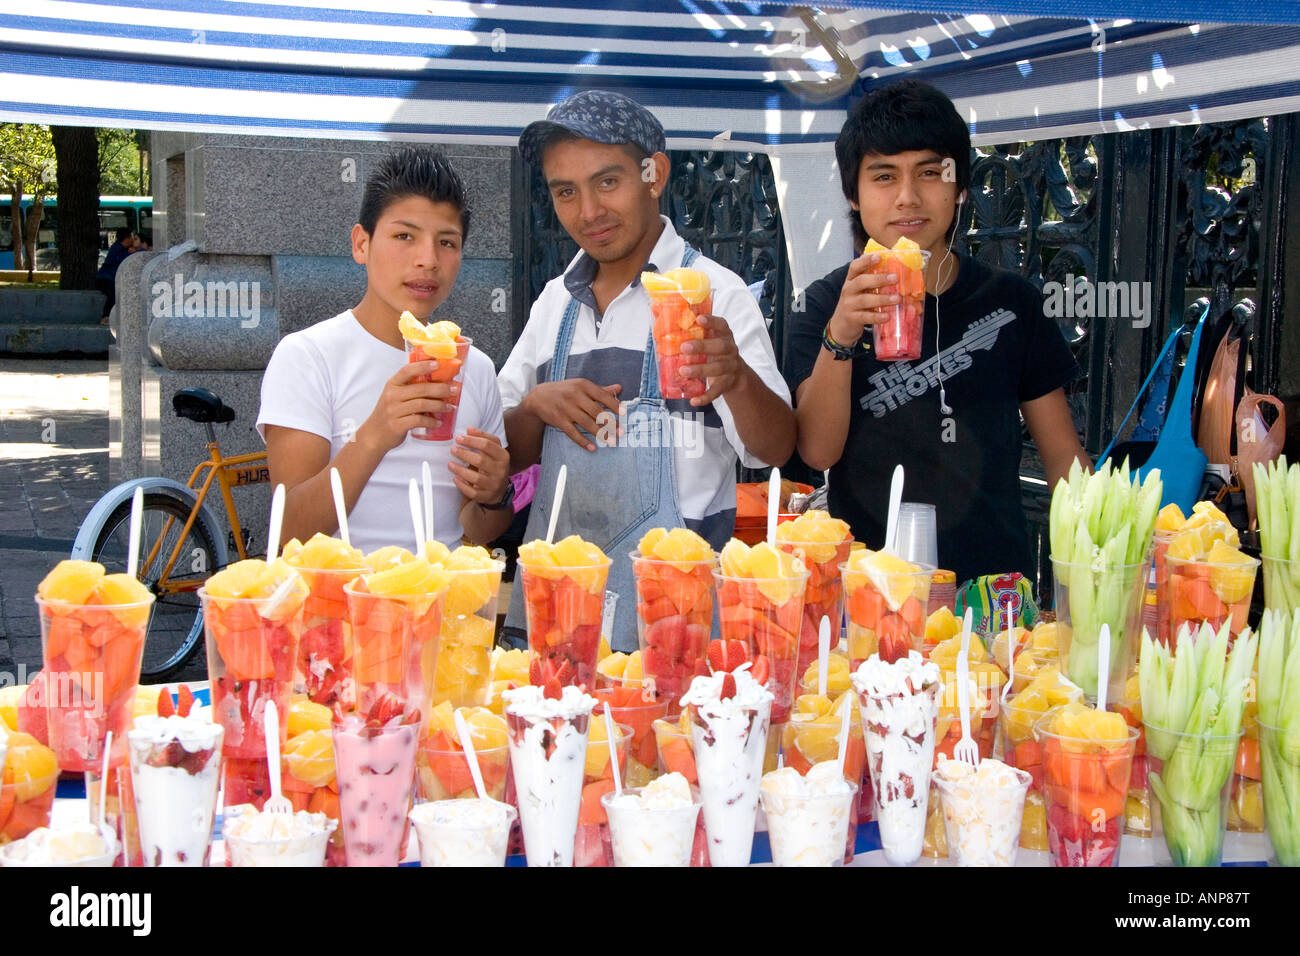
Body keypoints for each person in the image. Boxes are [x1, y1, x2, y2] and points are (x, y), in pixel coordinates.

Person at [499, 90, 795, 648]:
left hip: (676, 632)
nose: (588, 212)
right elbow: (502, 450)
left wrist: (736, 378)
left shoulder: (719, 296)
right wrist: (536, 409)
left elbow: (773, 450)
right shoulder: (551, 306)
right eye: (566, 192)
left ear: (653, 173)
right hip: (559, 618)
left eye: (607, 182)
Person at [785, 79, 1090, 584]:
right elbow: (818, 452)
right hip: (869, 588)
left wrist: (1117, 546)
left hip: (993, 595)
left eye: (931, 173)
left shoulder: (1010, 302)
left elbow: (1063, 462)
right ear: (854, 196)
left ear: (959, 186)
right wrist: (840, 334)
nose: (908, 198)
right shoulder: (823, 303)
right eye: (883, 177)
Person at [257, 146, 513, 554]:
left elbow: (479, 528)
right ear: (362, 244)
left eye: (447, 242)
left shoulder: (474, 368)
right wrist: (376, 433)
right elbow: (290, 533)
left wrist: (497, 493)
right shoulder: (308, 356)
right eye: (404, 236)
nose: (428, 260)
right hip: (340, 608)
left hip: (438, 607)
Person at [95, 227, 138, 319]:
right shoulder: (118, 250)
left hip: (108, 279)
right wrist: (136, 251)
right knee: (114, 294)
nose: (134, 239)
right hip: (105, 279)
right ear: (127, 238)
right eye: (132, 237)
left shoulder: (120, 248)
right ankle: (106, 316)